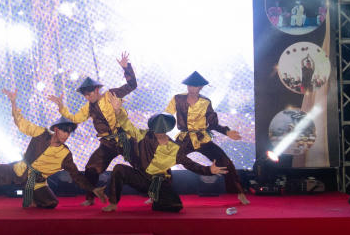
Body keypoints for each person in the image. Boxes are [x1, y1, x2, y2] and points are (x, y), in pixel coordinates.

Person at [0, 89, 106, 209]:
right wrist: (13, 102)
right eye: (64, 131)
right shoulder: (41, 133)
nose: (66, 135)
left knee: (51, 203)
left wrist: (93, 189)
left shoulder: (65, 154)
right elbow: (21, 123)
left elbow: (76, 176)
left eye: (69, 133)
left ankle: (30, 194)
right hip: (18, 171)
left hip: (36, 182)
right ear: (56, 129)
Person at [100, 93, 227, 212]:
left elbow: (191, 164)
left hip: (158, 183)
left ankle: (155, 197)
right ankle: (113, 203)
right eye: (156, 129)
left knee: (175, 206)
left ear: (167, 129)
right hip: (141, 178)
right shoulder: (144, 136)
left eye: (161, 129)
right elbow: (128, 126)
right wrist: (117, 111)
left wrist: (209, 170)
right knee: (119, 169)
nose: (158, 132)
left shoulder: (175, 148)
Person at [49, 52, 137, 206]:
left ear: (96, 90)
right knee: (91, 168)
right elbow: (75, 119)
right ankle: (90, 198)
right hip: (107, 143)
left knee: (142, 165)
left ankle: (155, 194)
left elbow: (132, 85)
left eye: (89, 94)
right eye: (85, 95)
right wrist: (61, 106)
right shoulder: (88, 107)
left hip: (124, 139)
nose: (87, 97)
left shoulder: (111, 95)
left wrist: (126, 68)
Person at [165, 71, 249, 205]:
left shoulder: (205, 102)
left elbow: (213, 123)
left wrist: (226, 132)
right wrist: (159, 131)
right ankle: (157, 193)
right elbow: (166, 116)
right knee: (164, 160)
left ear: (200, 87)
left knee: (225, 161)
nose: (191, 88)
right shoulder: (177, 99)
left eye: (194, 86)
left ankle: (239, 192)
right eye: (189, 85)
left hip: (202, 138)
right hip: (185, 138)